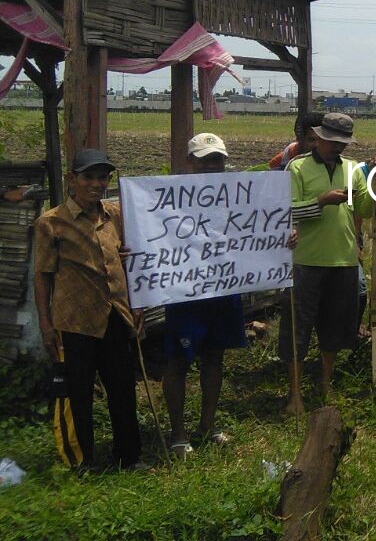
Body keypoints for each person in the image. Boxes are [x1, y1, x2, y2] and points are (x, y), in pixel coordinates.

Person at [162, 134, 297, 456]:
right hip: (185, 291)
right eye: (206, 159)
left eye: (218, 159)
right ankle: (178, 433)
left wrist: (283, 236)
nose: (213, 165)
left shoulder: (238, 194)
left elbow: (260, 225)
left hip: (224, 289)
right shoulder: (167, 197)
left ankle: (207, 426)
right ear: (189, 161)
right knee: (178, 361)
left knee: (215, 358)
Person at [33, 149, 144, 470]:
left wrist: (135, 304)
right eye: (89, 177)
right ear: (72, 180)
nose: (97, 184)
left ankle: (129, 456)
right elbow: (42, 276)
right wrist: (45, 323)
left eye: (103, 177)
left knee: (122, 389)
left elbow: (126, 256)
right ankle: (80, 461)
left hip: (114, 315)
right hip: (75, 321)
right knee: (77, 392)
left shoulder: (113, 215)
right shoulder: (51, 223)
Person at [283, 113, 373, 414]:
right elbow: (287, 212)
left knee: (334, 327)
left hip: (344, 258)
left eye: (342, 143)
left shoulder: (353, 170)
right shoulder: (297, 167)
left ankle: (325, 382)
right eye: (332, 141)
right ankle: (294, 393)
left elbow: (364, 209)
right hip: (306, 260)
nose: (337, 147)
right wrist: (320, 202)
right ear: (317, 137)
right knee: (299, 329)